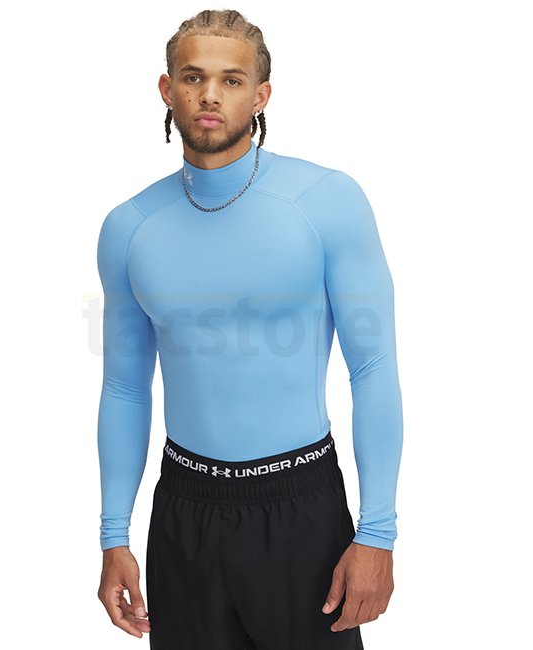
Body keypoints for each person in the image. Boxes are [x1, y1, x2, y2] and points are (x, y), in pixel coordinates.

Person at [96, 9, 403, 649]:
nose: (210, 94)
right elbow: (125, 387)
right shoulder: (130, 228)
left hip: (301, 507)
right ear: (167, 89)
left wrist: (377, 533)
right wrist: (113, 534)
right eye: (193, 77)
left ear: (261, 95)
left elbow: (372, 368)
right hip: (183, 510)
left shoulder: (327, 201)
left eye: (231, 80)